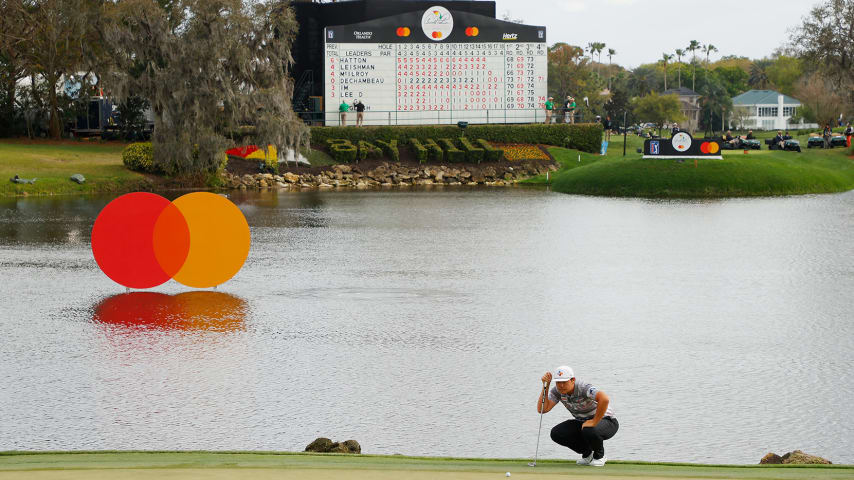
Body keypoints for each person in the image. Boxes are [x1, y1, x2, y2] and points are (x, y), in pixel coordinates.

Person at [537, 366, 618, 467]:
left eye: (564, 382)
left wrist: (594, 421)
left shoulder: (583, 387)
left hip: (607, 421)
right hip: (583, 423)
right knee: (557, 433)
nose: (561, 385)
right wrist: (546, 386)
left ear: (572, 380)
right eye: (558, 382)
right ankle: (588, 455)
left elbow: (604, 399)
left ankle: (599, 457)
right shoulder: (557, 391)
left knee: (589, 428)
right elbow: (542, 409)